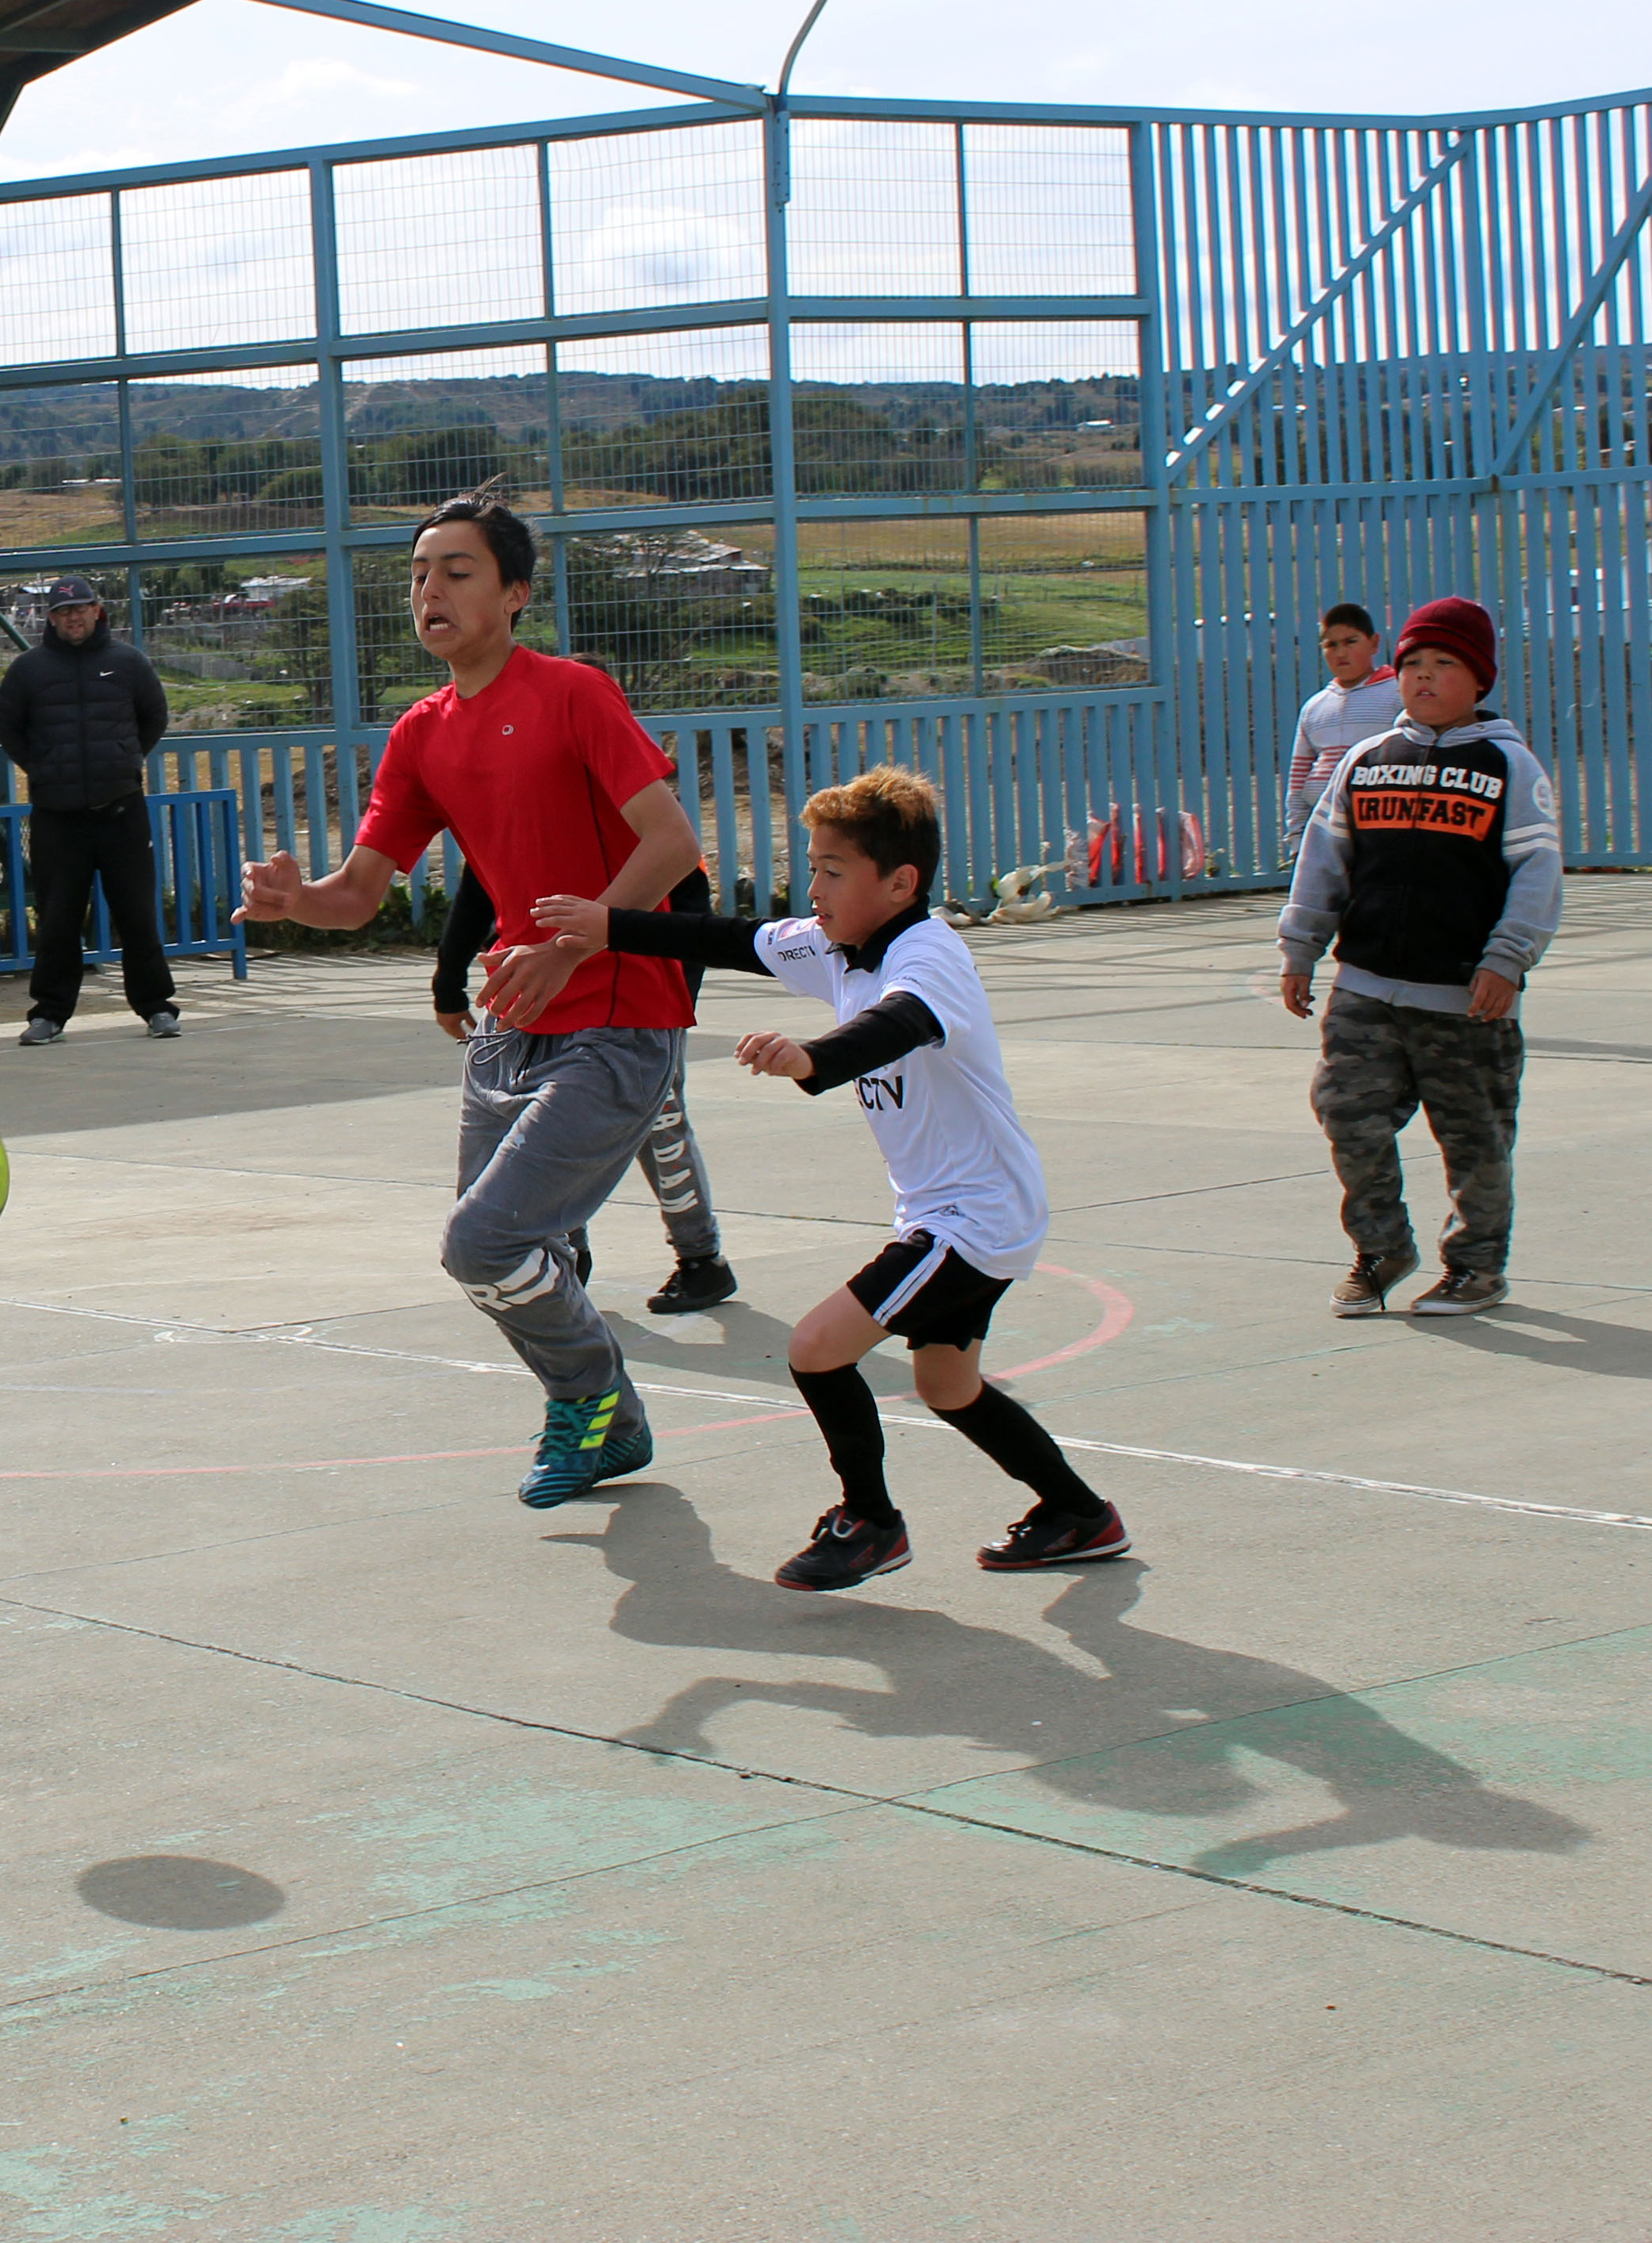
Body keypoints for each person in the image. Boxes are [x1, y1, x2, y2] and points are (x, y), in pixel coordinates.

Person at [528, 765, 1128, 1591]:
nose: (812, 887)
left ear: (900, 882)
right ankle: (1081, 1513)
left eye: (832, 871)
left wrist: (815, 1057)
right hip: (956, 1210)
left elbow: (902, 1022)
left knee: (816, 1350)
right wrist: (611, 926)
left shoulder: (928, 953)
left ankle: (870, 1524)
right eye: (810, 866)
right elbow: (736, 939)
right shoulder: (839, 946)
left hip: (974, 1216)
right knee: (948, 1385)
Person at [239, 496, 706, 1509]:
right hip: (511, 1023)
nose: (429, 591)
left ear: (515, 594)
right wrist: (296, 901)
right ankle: (603, 1419)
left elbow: (672, 844)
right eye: (417, 574)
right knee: (497, 1256)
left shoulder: (575, 694)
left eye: (456, 571)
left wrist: (570, 941)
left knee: (483, 1242)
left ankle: (594, 1406)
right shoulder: (421, 734)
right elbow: (359, 895)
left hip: (619, 1018)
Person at [1275, 596, 1558, 1320]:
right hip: (1366, 990)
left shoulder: (1508, 767)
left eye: (1444, 665)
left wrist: (1506, 960)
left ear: (1480, 678)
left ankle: (1476, 1268)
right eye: (1413, 666)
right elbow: (1325, 859)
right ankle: (1381, 1250)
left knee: (1474, 1139)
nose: (1424, 678)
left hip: (1465, 997)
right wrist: (1300, 947)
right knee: (1346, 1112)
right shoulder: (1370, 762)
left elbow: (1537, 876)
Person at [431, 849, 736, 1314]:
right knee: (535, 1117)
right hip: (538, 988)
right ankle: (567, 1255)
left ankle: (700, 1257)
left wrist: (671, 1010)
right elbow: (479, 882)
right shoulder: (512, 808)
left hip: (631, 998)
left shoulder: (631, 813)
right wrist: (449, 982)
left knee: (658, 1120)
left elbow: (684, 888)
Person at [0, 574, 177, 1047]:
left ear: (98, 611)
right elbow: (9, 728)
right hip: (57, 816)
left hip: (122, 811)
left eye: (81, 608)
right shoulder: (28, 671)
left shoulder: (129, 663)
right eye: (62, 612)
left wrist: (125, 756)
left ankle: (157, 1007)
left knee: (136, 913)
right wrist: (44, 767)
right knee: (58, 918)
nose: (73, 617)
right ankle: (49, 1015)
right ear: (49, 619)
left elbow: (153, 717)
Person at [1282, 604, 1403, 849]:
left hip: (1380, 828)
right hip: (1322, 830)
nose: (1341, 653)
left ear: (1374, 643)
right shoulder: (1315, 707)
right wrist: (1297, 834)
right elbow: (1298, 776)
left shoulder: (1399, 694)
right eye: (1331, 645)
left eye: (1351, 642)